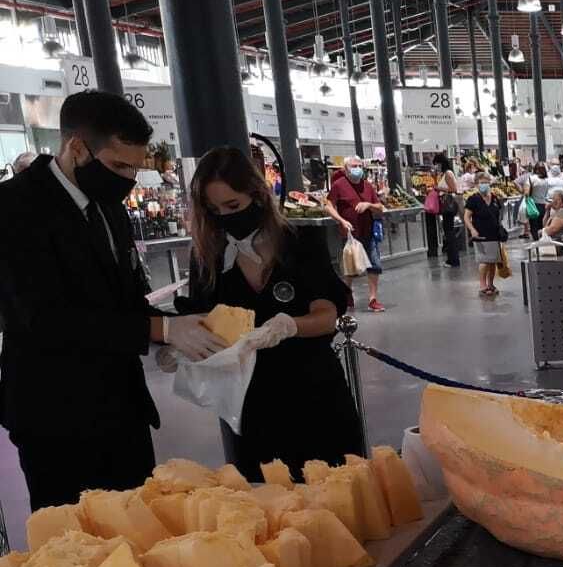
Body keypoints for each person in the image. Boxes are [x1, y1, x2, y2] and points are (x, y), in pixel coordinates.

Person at [0, 90, 225, 508]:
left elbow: (123, 296)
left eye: (134, 168)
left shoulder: (109, 209)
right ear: (76, 147)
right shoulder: (14, 208)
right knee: (80, 549)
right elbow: (43, 318)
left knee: (140, 529)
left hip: (122, 409)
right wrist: (157, 328)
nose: (127, 179)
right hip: (56, 418)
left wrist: (172, 334)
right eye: (119, 165)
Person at [174, 146, 361, 480]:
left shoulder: (299, 242)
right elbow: (203, 323)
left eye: (233, 205)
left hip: (314, 395)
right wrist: (180, 345)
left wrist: (289, 325)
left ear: (257, 195)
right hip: (250, 408)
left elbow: (327, 314)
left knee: (338, 495)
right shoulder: (208, 259)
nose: (225, 216)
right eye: (213, 209)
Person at [325, 155, 386, 312]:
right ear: (345, 169)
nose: (357, 169)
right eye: (353, 166)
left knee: (374, 264)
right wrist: (341, 220)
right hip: (350, 233)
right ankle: (347, 293)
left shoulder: (367, 186)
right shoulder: (339, 185)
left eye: (359, 166)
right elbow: (329, 205)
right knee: (350, 266)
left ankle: (373, 299)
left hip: (368, 230)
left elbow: (380, 207)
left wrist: (368, 205)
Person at [465, 170, 507, 298]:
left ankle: (491, 284)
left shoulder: (494, 198)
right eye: (482, 183)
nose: (484, 185)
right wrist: (472, 229)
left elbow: (498, 214)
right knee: (484, 261)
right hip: (480, 234)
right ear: (477, 184)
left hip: (494, 234)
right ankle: (482, 285)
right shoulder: (473, 199)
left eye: (486, 182)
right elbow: (466, 217)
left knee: (493, 261)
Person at [434, 151, 461, 268]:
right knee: (448, 232)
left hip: (448, 206)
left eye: (437, 164)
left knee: (449, 232)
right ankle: (452, 258)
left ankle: (453, 260)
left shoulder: (448, 174)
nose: (436, 167)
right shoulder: (445, 174)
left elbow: (454, 189)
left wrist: (439, 188)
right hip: (447, 206)